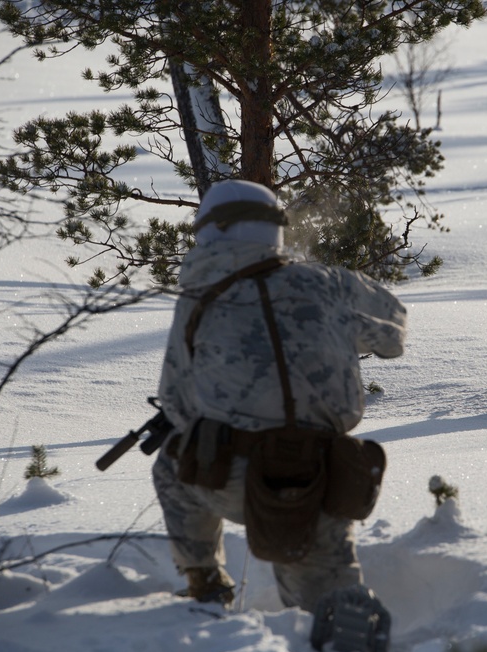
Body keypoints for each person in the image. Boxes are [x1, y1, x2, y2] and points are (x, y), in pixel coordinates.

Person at [152, 179, 407, 610]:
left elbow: (176, 402)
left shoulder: (197, 298)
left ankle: (205, 583)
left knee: (172, 464)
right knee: (331, 610)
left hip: (230, 477)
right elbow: (393, 337)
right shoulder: (331, 284)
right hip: (321, 476)